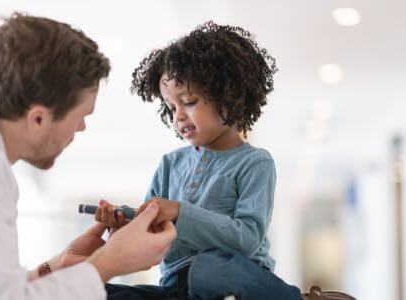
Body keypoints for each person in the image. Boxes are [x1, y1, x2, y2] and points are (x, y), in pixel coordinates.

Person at [0, 12, 176, 300]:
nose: (82, 128)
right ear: (37, 118)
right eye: (81, 116)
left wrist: (57, 264)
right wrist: (109, 262)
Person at [95, 21, 303, 299]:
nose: (177, 116)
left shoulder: (255, 163)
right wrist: (127, 226)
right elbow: (151, 241)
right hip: (176, 287)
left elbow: (247, 239)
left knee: (208, 269)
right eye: (171, 107)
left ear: (228, 96)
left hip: (232, 275)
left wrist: (180, 212)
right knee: (97, 292)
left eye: (189, 102)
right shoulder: (169, 165)